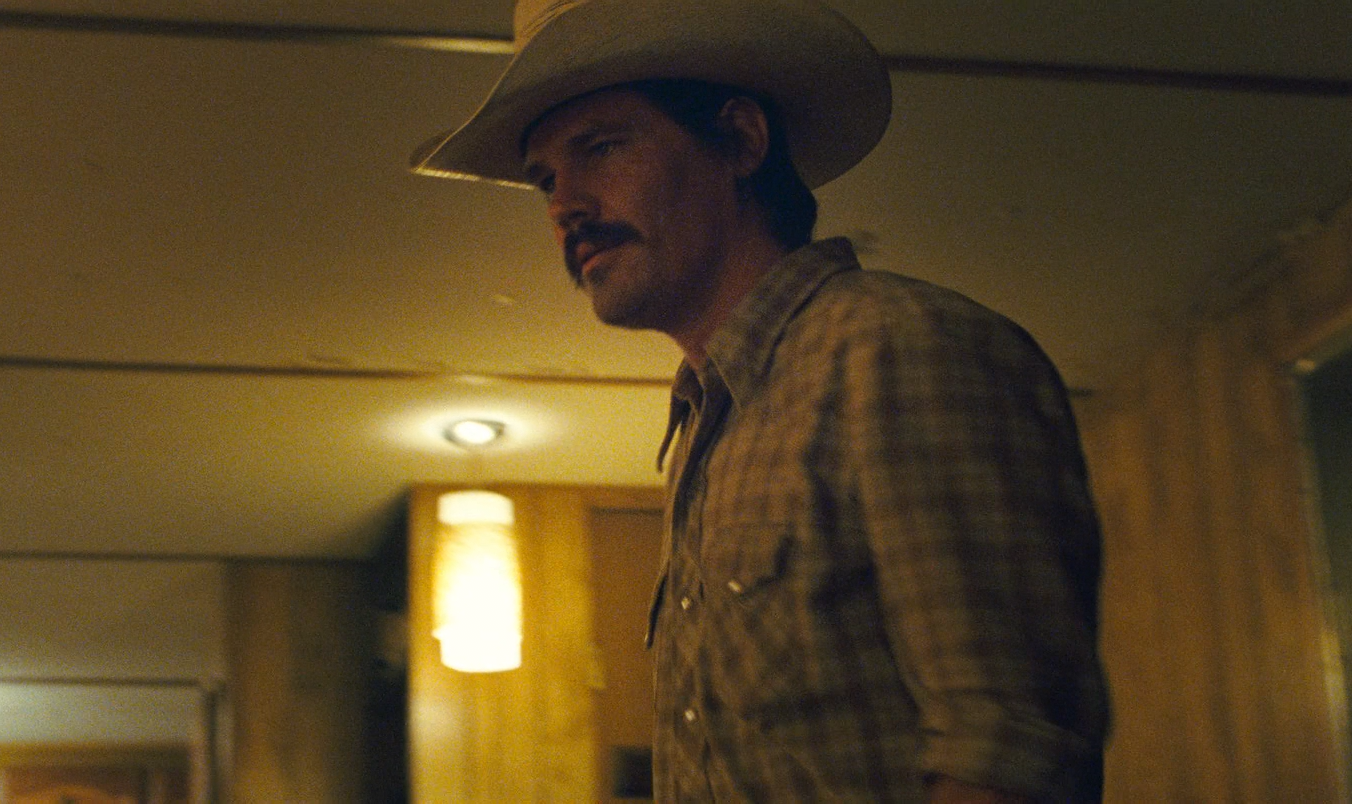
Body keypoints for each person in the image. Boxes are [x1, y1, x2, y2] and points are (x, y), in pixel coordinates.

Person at [411, 0, 1109, 801]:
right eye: (545, 179)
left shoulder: (898, 347)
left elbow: (1007, 748)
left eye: (601, 148)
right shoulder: (706, 424)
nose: (563, 204)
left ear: (741, 139)